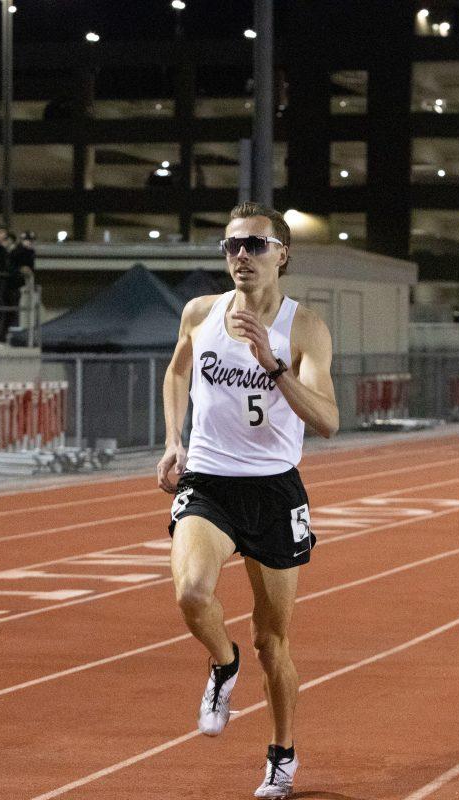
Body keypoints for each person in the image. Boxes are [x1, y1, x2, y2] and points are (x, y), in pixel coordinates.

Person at [157, 202, 338, 799]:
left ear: (281, 253)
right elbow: (177, 371)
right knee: (191, 591)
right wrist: (172, 440)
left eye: (255, 246)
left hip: (274, 488)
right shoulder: (200, 313)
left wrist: (274, 365)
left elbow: (329, 420)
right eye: (232, 246)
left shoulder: (304, 327)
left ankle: (282, 753)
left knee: (272, 640)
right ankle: (221, 663)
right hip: (208, 480)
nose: (241, 256)